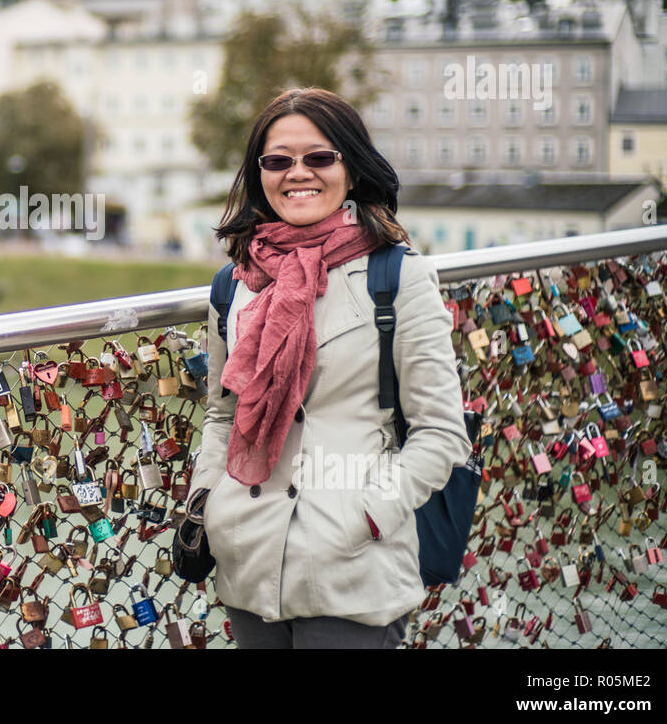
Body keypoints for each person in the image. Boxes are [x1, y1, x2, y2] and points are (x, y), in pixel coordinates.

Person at [191, 87, 471, 649]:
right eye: (278, 160)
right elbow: (221, 415)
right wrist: (208, 505)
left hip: (351, 567)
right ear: (259, 173)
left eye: (319, 157)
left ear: (350, 166)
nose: (298, 173)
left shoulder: (396, 276)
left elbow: (442, 434)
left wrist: (364, 517)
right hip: (247, 556)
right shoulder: (234, 284)